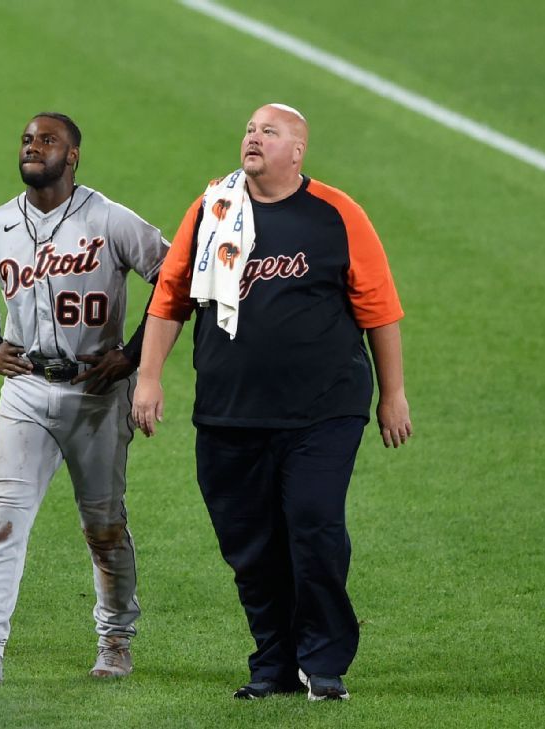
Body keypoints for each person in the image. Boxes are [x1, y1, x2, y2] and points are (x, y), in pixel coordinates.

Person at [132, 103, 412, 700]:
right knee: (249, 545)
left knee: (313, 525)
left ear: (297, 151)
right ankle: (274, 664)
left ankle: (326, 660)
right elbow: (171, 294)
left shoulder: (337, 215)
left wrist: (394, 394)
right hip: (229, 411)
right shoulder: (213, 208)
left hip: (325, 410)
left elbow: (380, 309)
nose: (254, 137)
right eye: (251, 129)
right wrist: (149, 377)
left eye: (270, 131)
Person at [0, 113, 169, 685]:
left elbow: (171, 277)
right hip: (26, 392)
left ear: (74, 156)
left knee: (104, 526)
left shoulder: (109, 219)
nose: (33, 146)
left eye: (48, 140)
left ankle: (115, 641)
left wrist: (134, 354)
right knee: (3, 522)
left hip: (98, 396)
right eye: (27, 139)